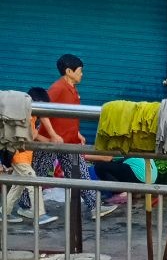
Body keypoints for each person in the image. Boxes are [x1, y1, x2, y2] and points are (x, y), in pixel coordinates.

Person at [46, 55, 118, 220]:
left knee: (81, 173)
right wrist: (52, 134)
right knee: (35, 174)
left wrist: (77, 133)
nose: (82, 74)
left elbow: (69, 116)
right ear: (69, 71)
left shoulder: (72, 89)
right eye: (80, 71)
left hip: (69, 142)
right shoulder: (58, 88)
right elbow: (44, 112)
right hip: (51, 141)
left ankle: (94, 207)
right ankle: (22, 207)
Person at [4, 89, 58, 227]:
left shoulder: (29, 116)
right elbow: (30, 136)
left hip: (23, 156)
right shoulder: (27, 116)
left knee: (18, 186)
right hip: (19, 156)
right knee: (34, 182)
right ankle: (40, 215)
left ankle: (4, 212)